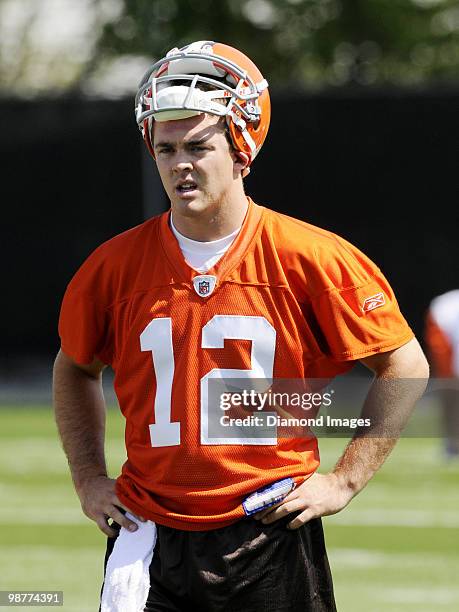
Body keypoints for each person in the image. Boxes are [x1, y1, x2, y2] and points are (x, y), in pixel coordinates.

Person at [53, 40, 429, 612]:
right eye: (166, 148)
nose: (180, 164)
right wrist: (87, 477)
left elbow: (404, 364)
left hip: (268, 526)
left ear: (242, 150)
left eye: (199, 146)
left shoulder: (309, 256)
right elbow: (75, 366)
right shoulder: (113, 266)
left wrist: (345, 479)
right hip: (146, 531)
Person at [424, 289, 459, 458]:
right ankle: (452, 442)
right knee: (450, 396)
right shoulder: (446, 306)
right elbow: (439, 345)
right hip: (451, 360)